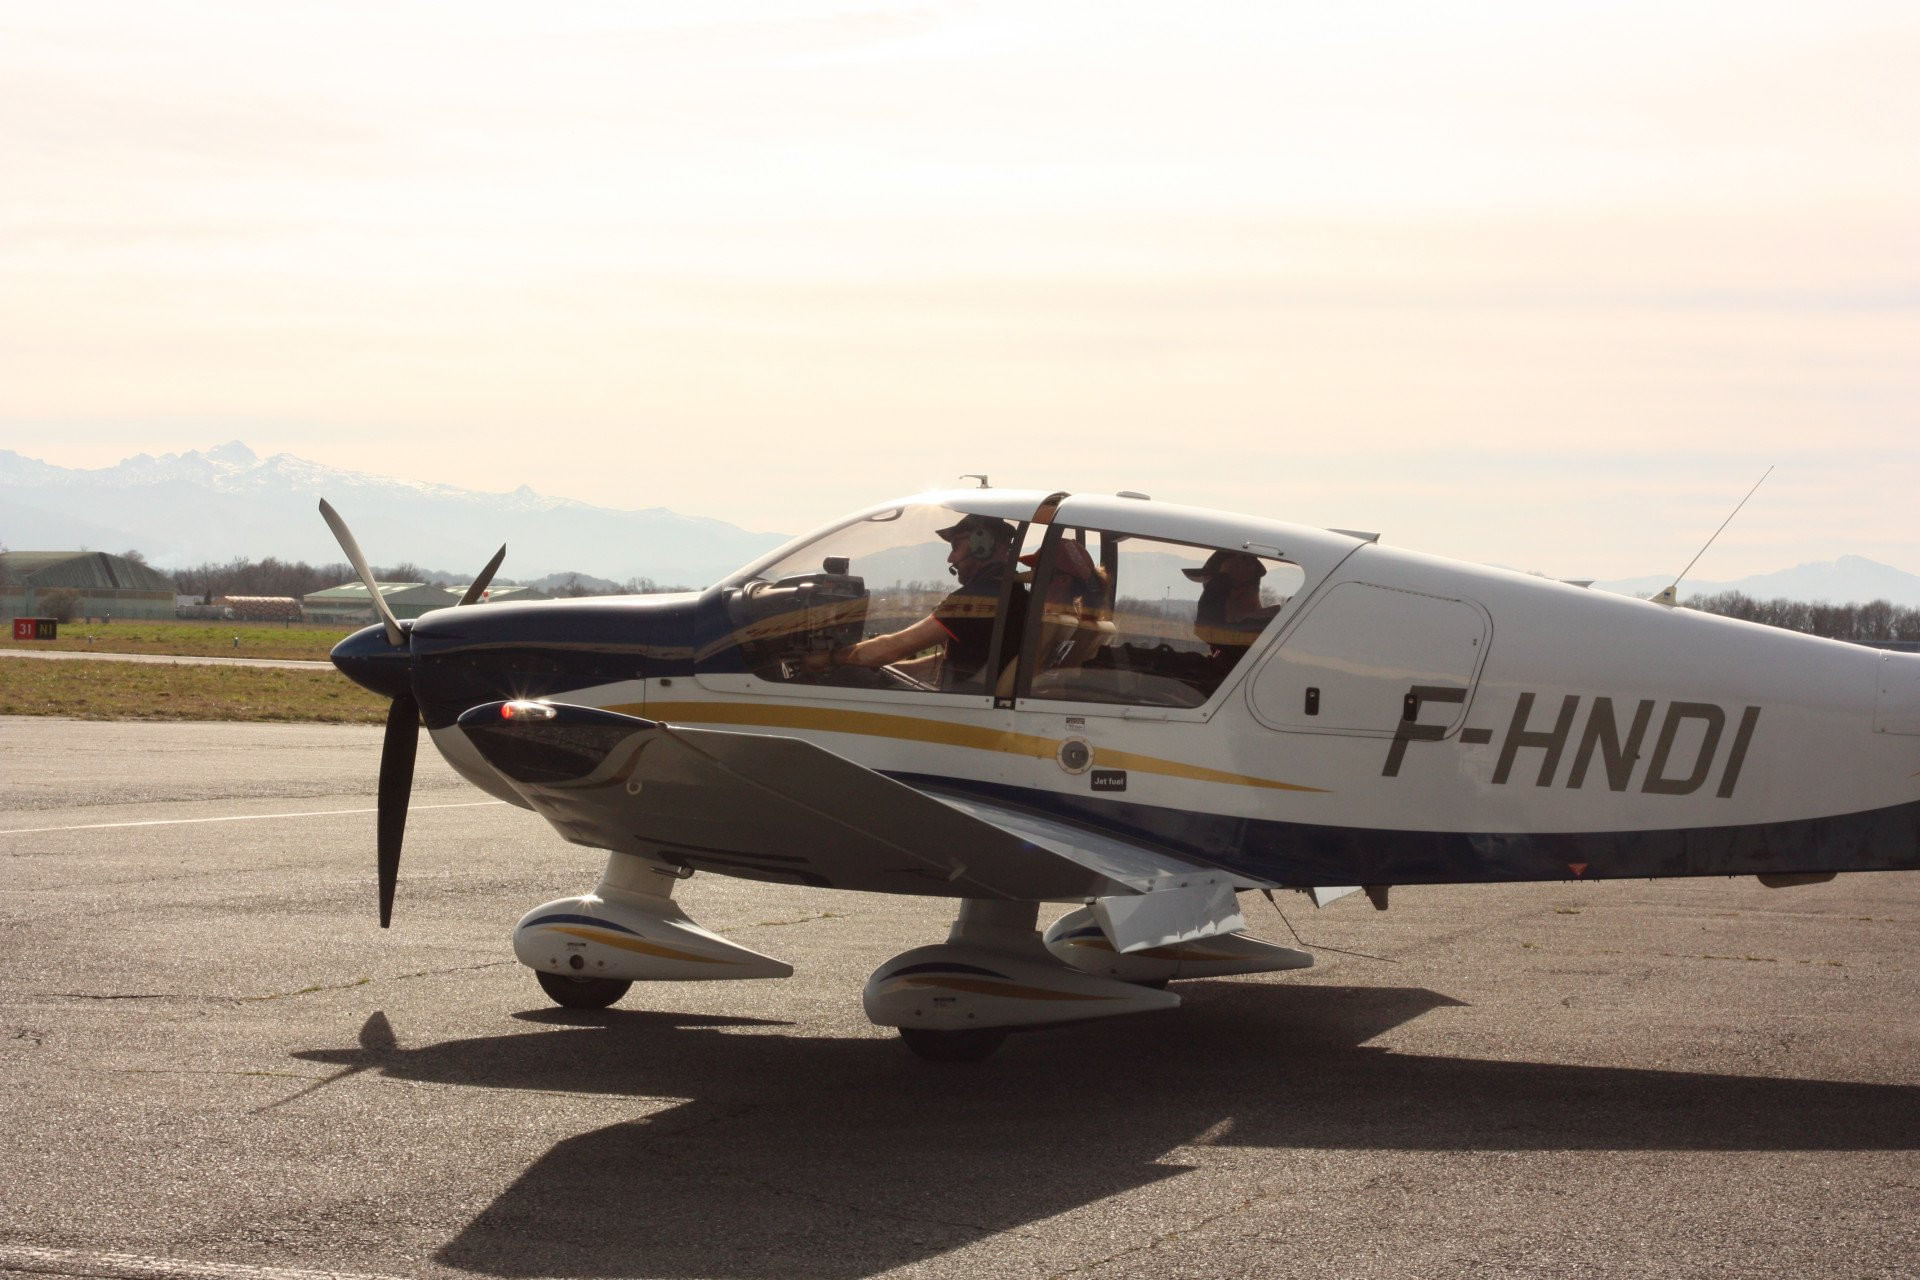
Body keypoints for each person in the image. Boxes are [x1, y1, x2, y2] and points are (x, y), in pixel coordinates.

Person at [827, 514, 1028, 691]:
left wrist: (831, 658)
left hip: (960, 708)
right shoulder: (1016, 594)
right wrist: (887, 671)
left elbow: (894, 646)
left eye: (956, 547)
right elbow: (958, 663)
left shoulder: (977, 598)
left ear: (981, 545)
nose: (951, 558)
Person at [1187, 550, 1278, 667]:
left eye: (1221, 591)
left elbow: (1206, 630)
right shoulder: (1250, 631)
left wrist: (1222, 579)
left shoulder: (1262, 633)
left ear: (1237, 593)